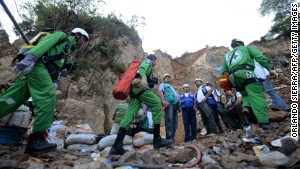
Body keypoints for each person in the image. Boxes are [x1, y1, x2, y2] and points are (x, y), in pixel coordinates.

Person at [0, 28, 89, 154]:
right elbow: (44, 45)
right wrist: (29, 59)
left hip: (41, 71)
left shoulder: (67, 51)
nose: (83, 43)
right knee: (48, 96)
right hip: (37, 65)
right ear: (78, 36)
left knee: (13, 98)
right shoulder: (61, 36)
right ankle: (36, 141)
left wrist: (57, 80)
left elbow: (56, 67)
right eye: (83, 39)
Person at [109, 54, 172, 155]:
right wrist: (144, 79)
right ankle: (157, 139)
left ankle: (116, 146)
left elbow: (144, 75)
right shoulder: (148, 62)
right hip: (139, 86)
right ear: (153, 59)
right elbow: (142, 69)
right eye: (156, 61)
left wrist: (151, 81)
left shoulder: (148, 68)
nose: (156, 63)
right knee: (157, 105)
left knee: (129, 115)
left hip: (134, 91)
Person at [221, 39, 277, 130]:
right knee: (256, 95)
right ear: (241, 44)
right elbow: (260, 57)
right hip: (246, 72)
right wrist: (269, 68)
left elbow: (224, 71)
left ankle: (246, 107)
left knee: (245, 94)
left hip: (233, 77)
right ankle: (264, 123)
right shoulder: (246, 48)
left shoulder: (227, 56)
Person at [158, 73, 179, 143]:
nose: (167, 78)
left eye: (168, 77)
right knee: (169, 120)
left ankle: (172, 138)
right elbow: (160, 91)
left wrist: (179, 106)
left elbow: (176, 96)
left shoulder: (171, 86)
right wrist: (163, 101)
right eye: (166, 77)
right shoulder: (162, 85)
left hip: (175, 105)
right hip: (169, 104)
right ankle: (169, 138)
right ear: (163, 79)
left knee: (175, 122)